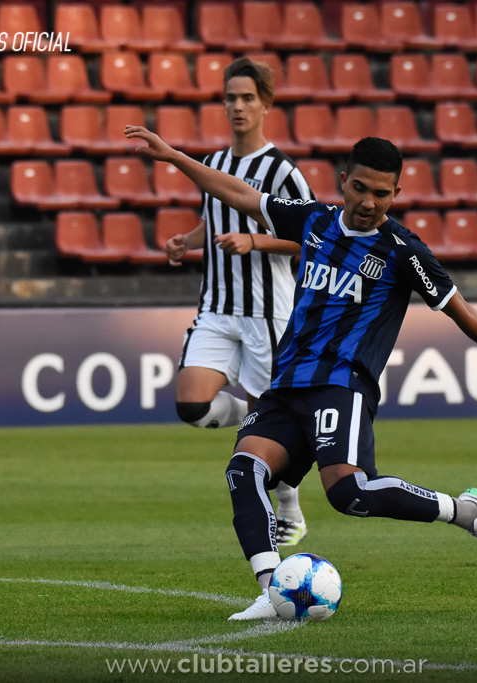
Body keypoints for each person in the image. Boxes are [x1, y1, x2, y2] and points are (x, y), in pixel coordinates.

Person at [125, 125, 477, 620]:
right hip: (286, 383)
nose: (368, 202)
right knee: (244, 469)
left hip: (341, 384)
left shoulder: (402, 250)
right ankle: (271, 589)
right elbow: (240, 193)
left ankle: (469, 512)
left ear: (397, 193)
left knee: (349, 493)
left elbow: (458, 308)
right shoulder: (314, 221)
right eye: (360, 188)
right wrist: (174, 155)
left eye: (381, 193)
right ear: (344, 181)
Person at [165, 57, 314, 546]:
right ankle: (249, 424)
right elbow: (214, 219)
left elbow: (315, 238)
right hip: (217, 307)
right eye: (230, 97)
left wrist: (257, 242)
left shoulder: (283, 171)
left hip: (268, 313)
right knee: (190, 403)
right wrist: (188, 241)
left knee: (268, 430)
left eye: (247, 97)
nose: (237, 106)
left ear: (266, 104)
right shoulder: (214, 164)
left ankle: (288, 502)